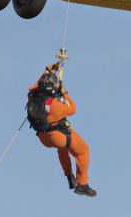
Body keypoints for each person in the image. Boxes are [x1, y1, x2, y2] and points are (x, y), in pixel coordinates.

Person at [26, 64, 97, 197]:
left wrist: (47, 71)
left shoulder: (32, 96)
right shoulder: (55, 106)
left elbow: (35, 85)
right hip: (56, 136)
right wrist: (64, 92)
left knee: (63, 147)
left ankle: (69, 175)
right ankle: (82, 184)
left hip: (43, 137)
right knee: (83, 150)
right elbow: (72, 108)